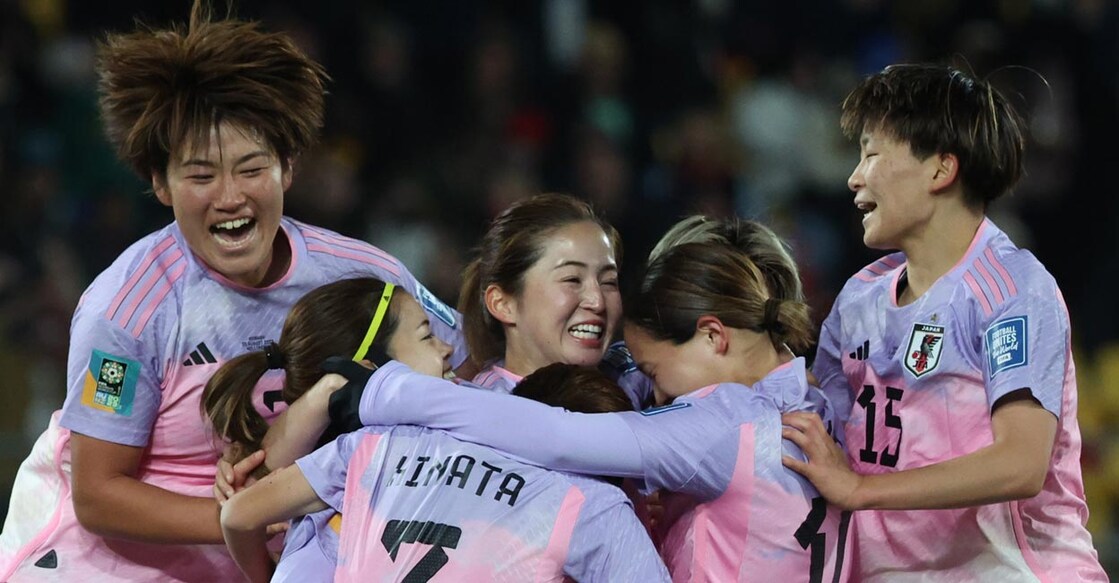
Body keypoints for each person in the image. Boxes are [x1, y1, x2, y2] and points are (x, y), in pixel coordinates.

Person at [0, 3, 466, 581]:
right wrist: (247, 515)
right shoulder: (125, 308)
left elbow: (468, 367)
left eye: (251, 169)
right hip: (96, 564)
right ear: (160, 184)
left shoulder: (366, 276)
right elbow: (98, 496)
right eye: (200, 175)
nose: (229, 197)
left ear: (287, 167)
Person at [329, 217, 853, 581]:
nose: (658, 394)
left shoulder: (724, 420)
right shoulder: (822, 410)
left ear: (714, 334)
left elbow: (558, 436)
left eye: (654, 371)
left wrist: (392, 389)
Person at [780, 63, 1106, 581]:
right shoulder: (859, 297)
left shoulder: (1011, 288)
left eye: (871, 154)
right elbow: (823, 434)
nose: (854, 177)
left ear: (940, 169)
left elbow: (1020, 463)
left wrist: (862, 490)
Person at [213, 279, 667, 582]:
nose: (450, 348)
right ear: (375, 371)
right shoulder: (575, 499)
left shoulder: (367, 450)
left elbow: (238, 514)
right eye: (428, 335)